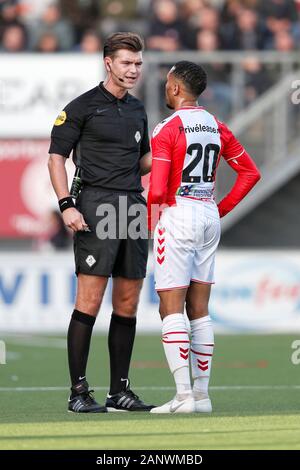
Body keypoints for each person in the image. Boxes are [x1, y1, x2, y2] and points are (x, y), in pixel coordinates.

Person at [48, 32, 153, 413]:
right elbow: (56, 157)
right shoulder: (82, 107)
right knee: (89, 302)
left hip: (134, 209)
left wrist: (171, 152)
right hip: (96, 206)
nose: (134, 70)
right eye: (127, 62)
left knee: (128, 303)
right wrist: (66, 205)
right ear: (108, 63)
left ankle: (119, 391)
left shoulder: (139, 108)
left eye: (138, 63)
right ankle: (78, 392)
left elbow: (143, 162)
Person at [148, 61, 261, 414]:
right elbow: (250, 172)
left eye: (168, 84)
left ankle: (182, 397)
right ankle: (202, 396)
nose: (166, 89)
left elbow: (156, 190)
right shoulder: (217, 125)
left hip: (178, 213)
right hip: (208, 212)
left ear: (177, 88)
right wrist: (222, 208)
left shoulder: (166, 129)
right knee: (199, 309)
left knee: (170, 307)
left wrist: (151, 214)